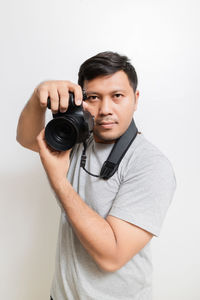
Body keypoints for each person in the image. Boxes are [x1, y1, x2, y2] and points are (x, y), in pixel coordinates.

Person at [16, 51, 176, 300]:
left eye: (117, 96)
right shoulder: (77, 138)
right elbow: (27, 139)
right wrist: (38, 98)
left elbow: (111, 256)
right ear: (81, 101)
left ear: (135, 99)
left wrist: (59, 180)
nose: (104, 110)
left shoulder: (151, 165)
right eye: (93, 97)